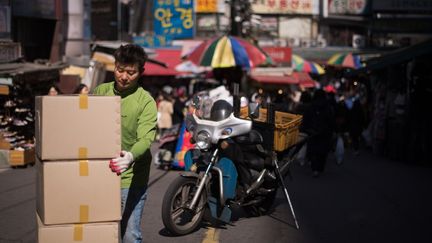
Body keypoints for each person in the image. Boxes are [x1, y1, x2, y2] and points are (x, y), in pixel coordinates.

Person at [92, 44, 157, 243]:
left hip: (132, 176)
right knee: (100, 232)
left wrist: (129, 156)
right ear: (114, 66)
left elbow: (145, 138)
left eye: (131, 72)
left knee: (129, 234)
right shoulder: (100, 92)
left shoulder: (145, 101)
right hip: (101, 172)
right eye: (120, 70)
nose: (123, 77)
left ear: (141, 72)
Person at [302, 89, 335, 177]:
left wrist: (306, 129)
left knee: (313, 150)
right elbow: (331, 121)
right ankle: (319, 168)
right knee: (322, 151)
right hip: (325, 133)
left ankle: (314, 168)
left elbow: (306, 120)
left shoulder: (311, 106)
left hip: (312, 132)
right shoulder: (328, 106)